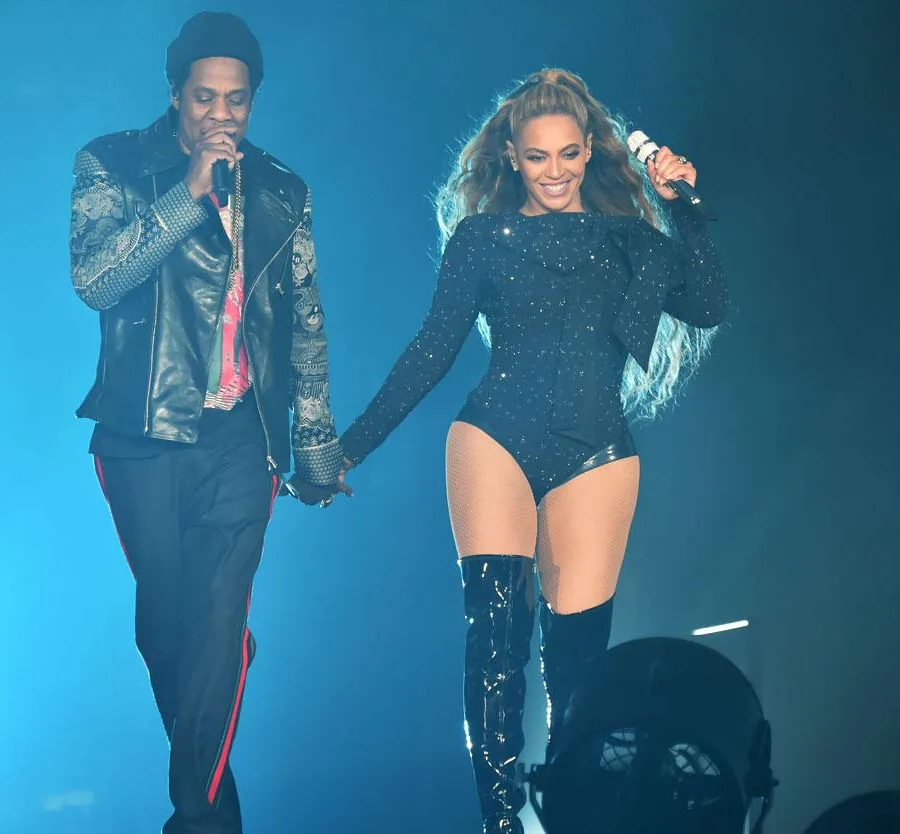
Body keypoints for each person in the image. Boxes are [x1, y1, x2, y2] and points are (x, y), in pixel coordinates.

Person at [338, 68, 728, 834]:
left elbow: (708, 303)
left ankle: (571, 816)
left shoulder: (630, 241)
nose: (556, 171)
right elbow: (431, 350)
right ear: (510, 155)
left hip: (598, 453)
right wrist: (349, 448)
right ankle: (500, 824)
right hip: (494, 437)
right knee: (493, 641)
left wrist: (688, 209)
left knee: (579, 666)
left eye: (570, 154)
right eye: (538, 155)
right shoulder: (481, 238)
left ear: (592, 153)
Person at [68, 12, 348, 834]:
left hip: (239, 438)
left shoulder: (284, 190)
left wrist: (317, 446)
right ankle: (219, 790)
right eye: (203, 99)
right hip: (141, 435)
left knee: (221, 614)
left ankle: (193, 818)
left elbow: (305, 321)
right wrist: (184, 197)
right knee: (169, 629)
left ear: (253, 103)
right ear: (175, 94)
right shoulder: (112, 163)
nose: (219, 116)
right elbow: (94, 279)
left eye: (235, 101)